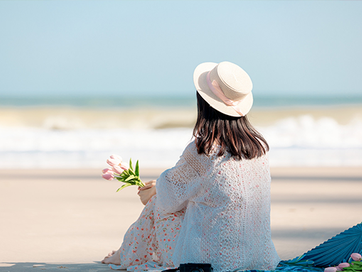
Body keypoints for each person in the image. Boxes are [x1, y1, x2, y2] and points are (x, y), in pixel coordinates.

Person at [102, 61, 281, 271]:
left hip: (213, 263)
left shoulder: (204, 150)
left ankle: (126, 255)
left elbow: (168, 201)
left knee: (158, 202)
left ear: (203, 103)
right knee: (186, 197)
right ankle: (126, 252)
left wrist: (156, 189)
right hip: (260, 257)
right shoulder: (259, 147)